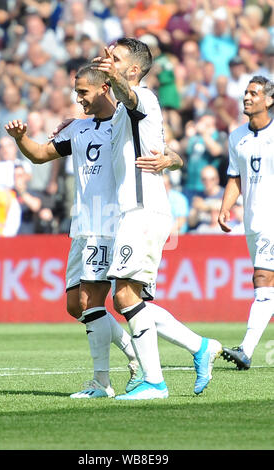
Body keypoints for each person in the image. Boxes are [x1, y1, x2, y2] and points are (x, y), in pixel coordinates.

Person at [93, 38, 222, 399]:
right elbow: (165, 149)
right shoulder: (125, 109)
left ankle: (154, 382)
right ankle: (200, 347)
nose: (109, 62)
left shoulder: (141, 96)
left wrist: (113, 77)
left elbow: (129, 95)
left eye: (116, 60)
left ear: (133, 70)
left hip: (144, 209)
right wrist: (174, 158)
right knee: (134, 300)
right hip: (133, 211)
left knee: (125, 297)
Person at [5, 65, 143, 399]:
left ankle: (101, 382)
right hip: (81, 227)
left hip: (106, 224)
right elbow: (40, 155)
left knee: (90, 300)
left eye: (83, 91)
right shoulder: (77, 130)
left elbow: (135, 101)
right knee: (74, 306)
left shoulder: (126, 123)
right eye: (75, 91)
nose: (77, 98)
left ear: (104, 88)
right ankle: (135, 354)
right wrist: (21, 138)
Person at [218, 75, 274, 370]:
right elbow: (235, 176)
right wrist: (225, 207)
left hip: (272, 221)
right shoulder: (236, 136)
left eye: (254, 93)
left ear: (269, 100)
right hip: (252, 220)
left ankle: (246, 349)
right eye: (246, 93)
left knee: (262, 280)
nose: (247, 97)